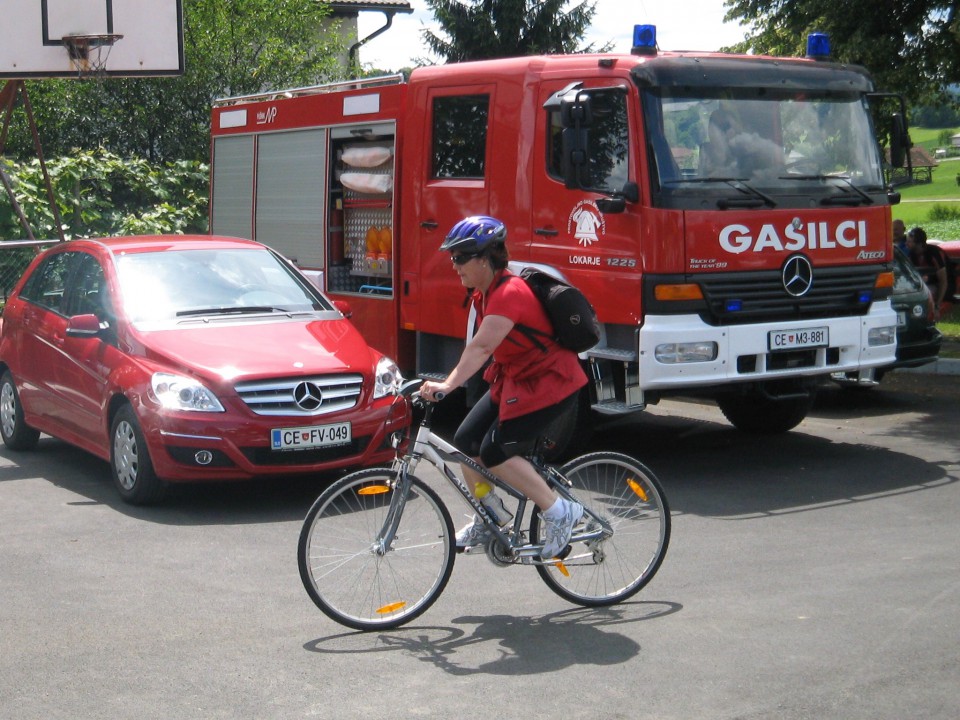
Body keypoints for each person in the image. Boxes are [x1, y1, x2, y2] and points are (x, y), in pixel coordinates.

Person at [420, 216, 588, 559]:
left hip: (549, 383)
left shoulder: (510, 293)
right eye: (453, 258)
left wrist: (448, 385)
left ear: (484, 258)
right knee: (465, 443)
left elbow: (481, 347)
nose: (454, 266)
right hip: (517, 378)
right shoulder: (486, 292)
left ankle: (559, 511)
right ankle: (491, 516)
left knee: (496, 452)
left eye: (459, 258)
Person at [906, 226, 948, 316]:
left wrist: (937, 304)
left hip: (938, 286)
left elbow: (943, 281)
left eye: (910, 241)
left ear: (919, 243)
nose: (906, 244)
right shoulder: (911, 254)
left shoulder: (933, 253)